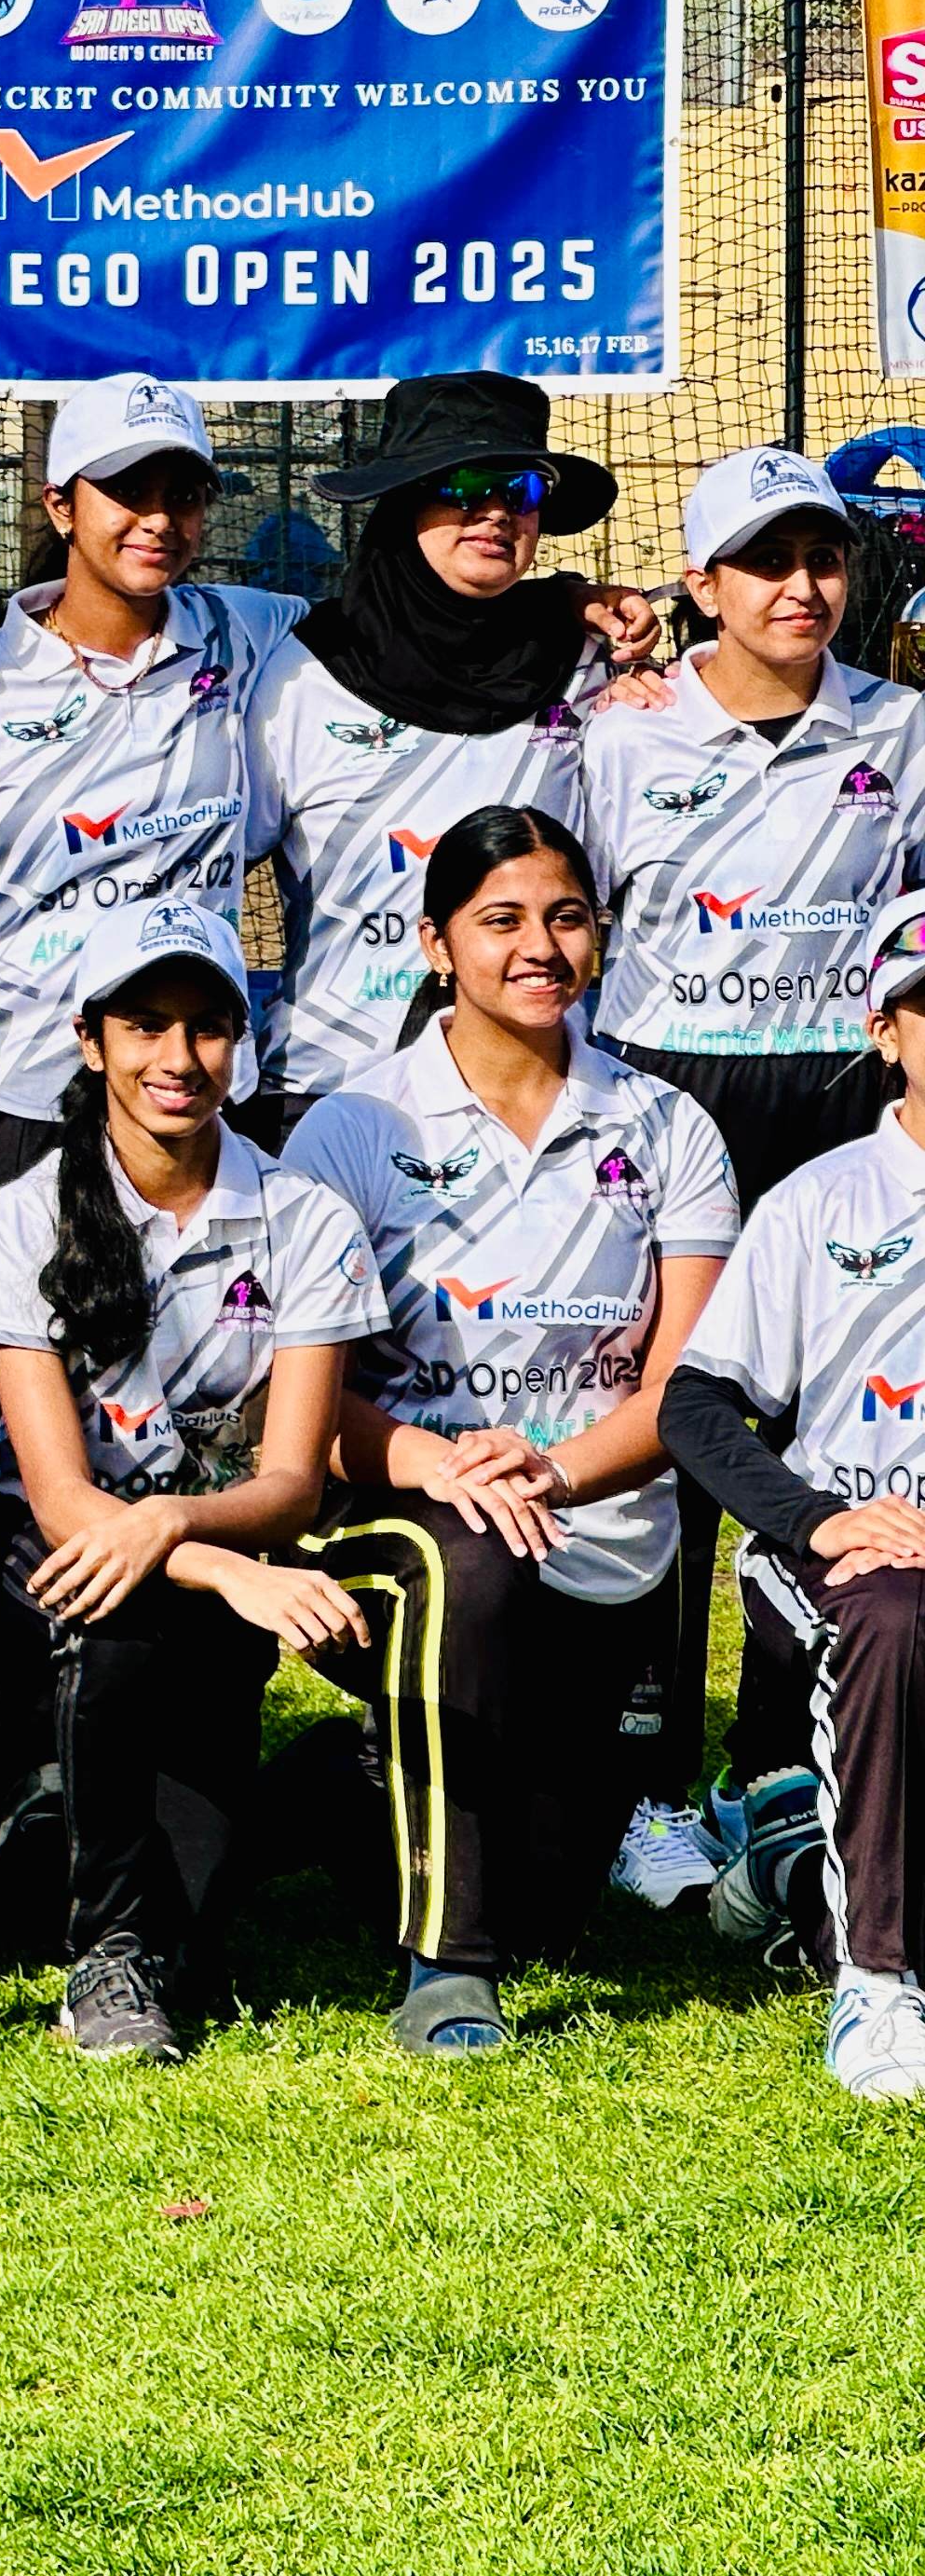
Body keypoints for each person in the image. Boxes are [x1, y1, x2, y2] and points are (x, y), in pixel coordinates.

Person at [282, 809, 739, 2032]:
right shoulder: (350, 1127)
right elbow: (304, 1400)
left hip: (593, 1527)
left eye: (566, 916)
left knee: (554, 1908)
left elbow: (687, 1395)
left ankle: (337, 1787)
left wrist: (549, 1469)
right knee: (466, 1561)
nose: (539, 945)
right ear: (436, 944)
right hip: (401, 1516)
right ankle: (450, 1969)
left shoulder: (670, 1127)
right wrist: (441, 1466)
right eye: (501, 921)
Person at [0, 902, 402, 2062]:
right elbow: (58, 1504)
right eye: (145, 1025)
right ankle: (103, 1953)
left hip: (227, 1544)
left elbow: (292, 1478)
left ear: (240, 1045)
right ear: (90, 1043)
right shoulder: (23, 1216)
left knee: (198, 1908)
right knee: (119, 1614)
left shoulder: (307, 1218)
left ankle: (262, 1806)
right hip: (43, 1561)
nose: (177, 1059)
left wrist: (200, 1538)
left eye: (206, 1027)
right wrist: (205, 1561)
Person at [581, 447, 925, 1885]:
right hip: (670, 1093)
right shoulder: (616, 733)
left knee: (827, 1433)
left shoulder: (902, 725)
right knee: (672, 1414)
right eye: (767, 562)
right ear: (701, 583)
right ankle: (652, 1774)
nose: (802, 587)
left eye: (824, 558)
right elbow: (576, 914)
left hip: (841, 1095)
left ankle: (774, 1760)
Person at [0, 377, 302, 1190]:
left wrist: (573, 602)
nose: (157, 518)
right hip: (13, 1095)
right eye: (124, 490)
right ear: (61, 507)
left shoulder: (248, 629)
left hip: (193, 1094)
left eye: (181, 493)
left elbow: (405, 626)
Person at [664, 885, 925, 2098]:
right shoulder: (820, 1206)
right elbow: (696, 1408)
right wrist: (820, 1519)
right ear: (885, 1033)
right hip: (849, 1555)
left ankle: (783, 1860)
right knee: (889, 1614)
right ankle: (874, 1985)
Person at [247, 370, 633, 1140]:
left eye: (519, 488)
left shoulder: (591, 665)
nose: (493, 512)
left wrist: (587, 609)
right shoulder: (299, 671)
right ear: (402, 499)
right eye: (461, 484)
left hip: (535, 1094)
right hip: (331, 1092)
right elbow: (204, 864)